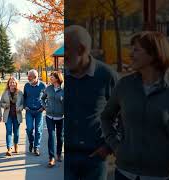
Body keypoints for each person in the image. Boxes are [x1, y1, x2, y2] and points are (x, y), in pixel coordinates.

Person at [101, 31, 169, 180]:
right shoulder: (125, 85)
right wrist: (116, 146)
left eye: (136, 50)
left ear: (154, 54)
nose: (130, 54)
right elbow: (106, 117)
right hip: (124, 173)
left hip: (161, 175)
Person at [65, 25, 118, 180]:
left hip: (95, 159)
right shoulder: (61, 77)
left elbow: (125, 115)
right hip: (65, 158)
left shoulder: (107, 76)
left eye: (66, 48)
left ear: (80, 50)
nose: (63, 55)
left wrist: (109, 146)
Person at [41, 71, 64, 167]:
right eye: (50, 77)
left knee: (60, 137)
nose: (50, 78)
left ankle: (59, 153)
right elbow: (42, 98)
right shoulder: (48, 89)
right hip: (49, 116)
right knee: (51, 136)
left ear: (58, 78)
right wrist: (45, 107)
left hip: (60, 117)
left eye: (52, 77)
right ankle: (51, 158)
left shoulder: (64, 90)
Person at [23, 69, 46, 156]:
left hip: (39, 111)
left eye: (29, 77)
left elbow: (47, 98)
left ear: (35, 77)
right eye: (28, 76)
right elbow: (24, 97)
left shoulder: (43, 85)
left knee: (38, 130)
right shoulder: (26, 86)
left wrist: (43, 107)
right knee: (29, 128)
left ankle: (36, 147)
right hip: (29, 111)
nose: (28, 78)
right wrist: (25, 106)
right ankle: (31, 142)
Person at [1, 76, 24, 156]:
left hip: (17, 115)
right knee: (9, 131)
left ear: (16, 84)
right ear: (8, 84)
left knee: (16, 132)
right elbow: (1, 103)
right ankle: (9, 148)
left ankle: (16, 145)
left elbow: (23, 104)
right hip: (8, 115)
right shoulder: (5, 92)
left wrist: (20, 108)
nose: (12, 84)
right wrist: (5, 105)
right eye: (10, 82)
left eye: (13, 82)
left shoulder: (20, 93)